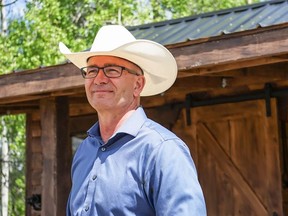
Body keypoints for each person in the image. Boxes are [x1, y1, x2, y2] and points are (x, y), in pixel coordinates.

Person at [59, 25, 206, 216]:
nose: (99, 79)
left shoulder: (163, 150)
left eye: (112, 70)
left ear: (138, 84)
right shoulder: (84, 151)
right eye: (92, 70)